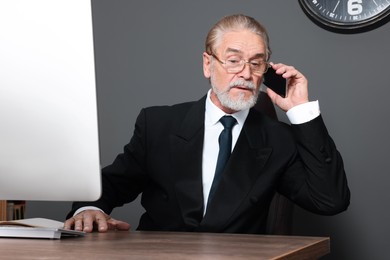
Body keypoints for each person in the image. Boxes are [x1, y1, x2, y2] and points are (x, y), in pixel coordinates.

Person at [64, 14, 350, 234]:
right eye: (233, 60)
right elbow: (112, 183)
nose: (246, 73)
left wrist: (301, 111)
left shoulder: (278, 139)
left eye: (256, 63)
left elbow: (330, 201)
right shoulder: (158, 124)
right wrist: (90, 209)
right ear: (207, 64)